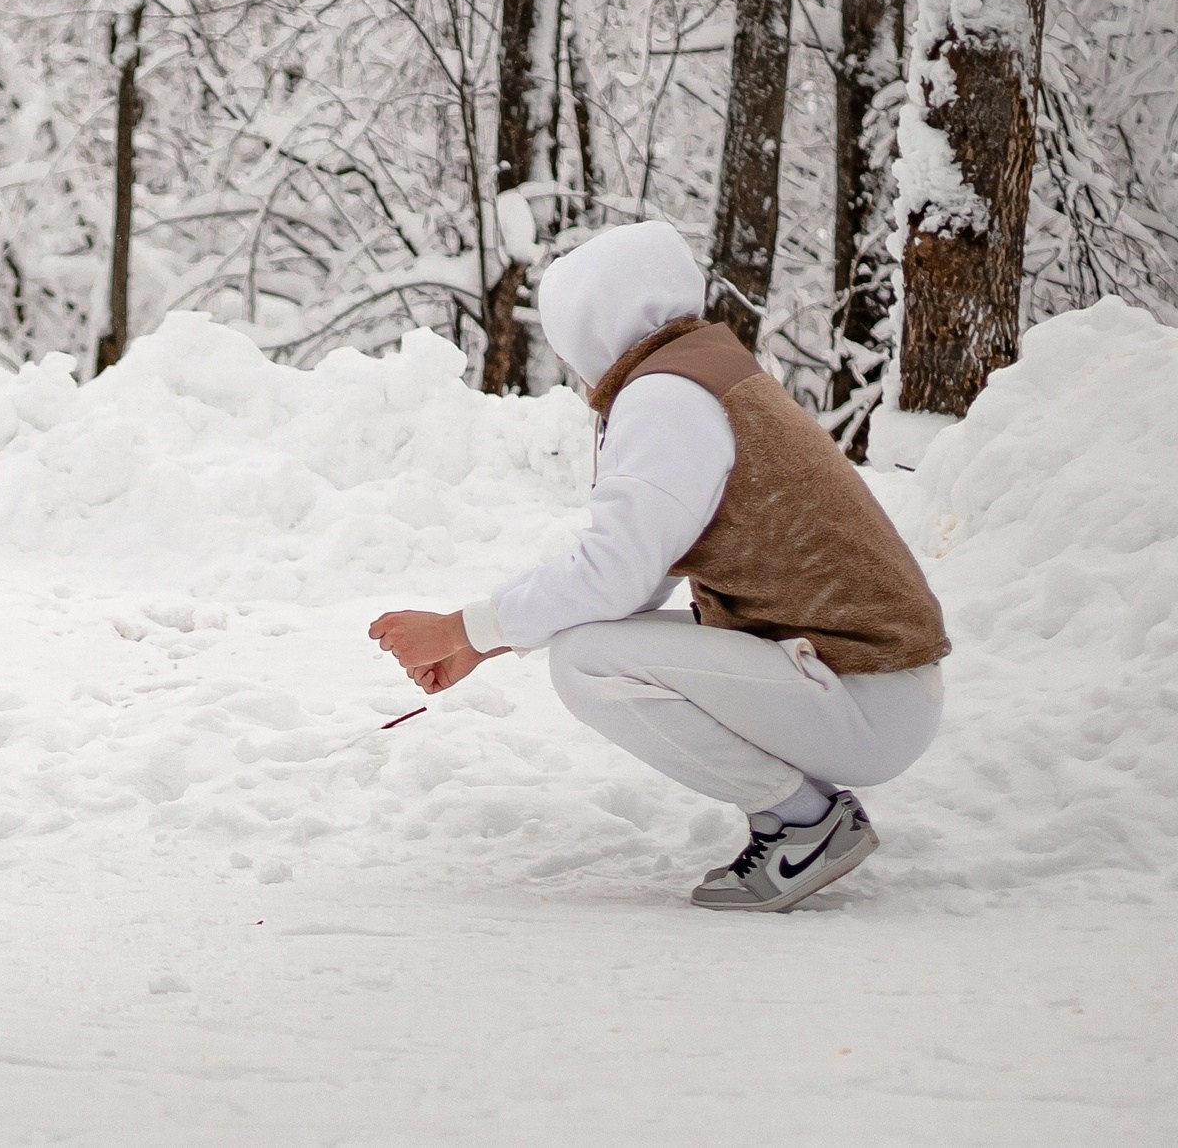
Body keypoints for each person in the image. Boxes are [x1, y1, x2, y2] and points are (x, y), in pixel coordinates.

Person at [368, 221, 949, 911]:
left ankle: (804, 821)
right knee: (597, 648)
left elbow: (612, 576)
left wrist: (464, 628)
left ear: (589, 326)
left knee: (587, 660)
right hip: (872, 679)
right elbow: (636, 581)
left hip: (868, 691)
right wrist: (481, 642)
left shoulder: (665, 398)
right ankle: (801, 817)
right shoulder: (701, 375)